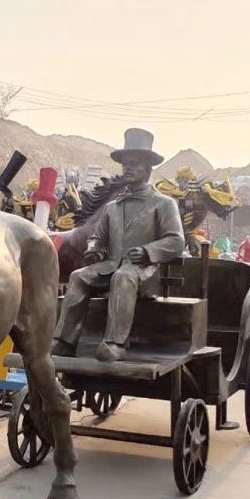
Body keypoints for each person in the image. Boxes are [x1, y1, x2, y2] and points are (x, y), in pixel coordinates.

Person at [51, 129, 185, 362]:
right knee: (79, 277)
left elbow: (176, 240)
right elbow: (97, 236)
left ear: (148, 168)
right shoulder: (113, 207)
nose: (128, 168)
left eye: (134, 163)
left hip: (145, 271)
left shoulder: (164, 204)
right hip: (112, 265)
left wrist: (147, 251)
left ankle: (116, 343)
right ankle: (64, 341)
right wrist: (93, 248)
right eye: (125, 164)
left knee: (123, 277)